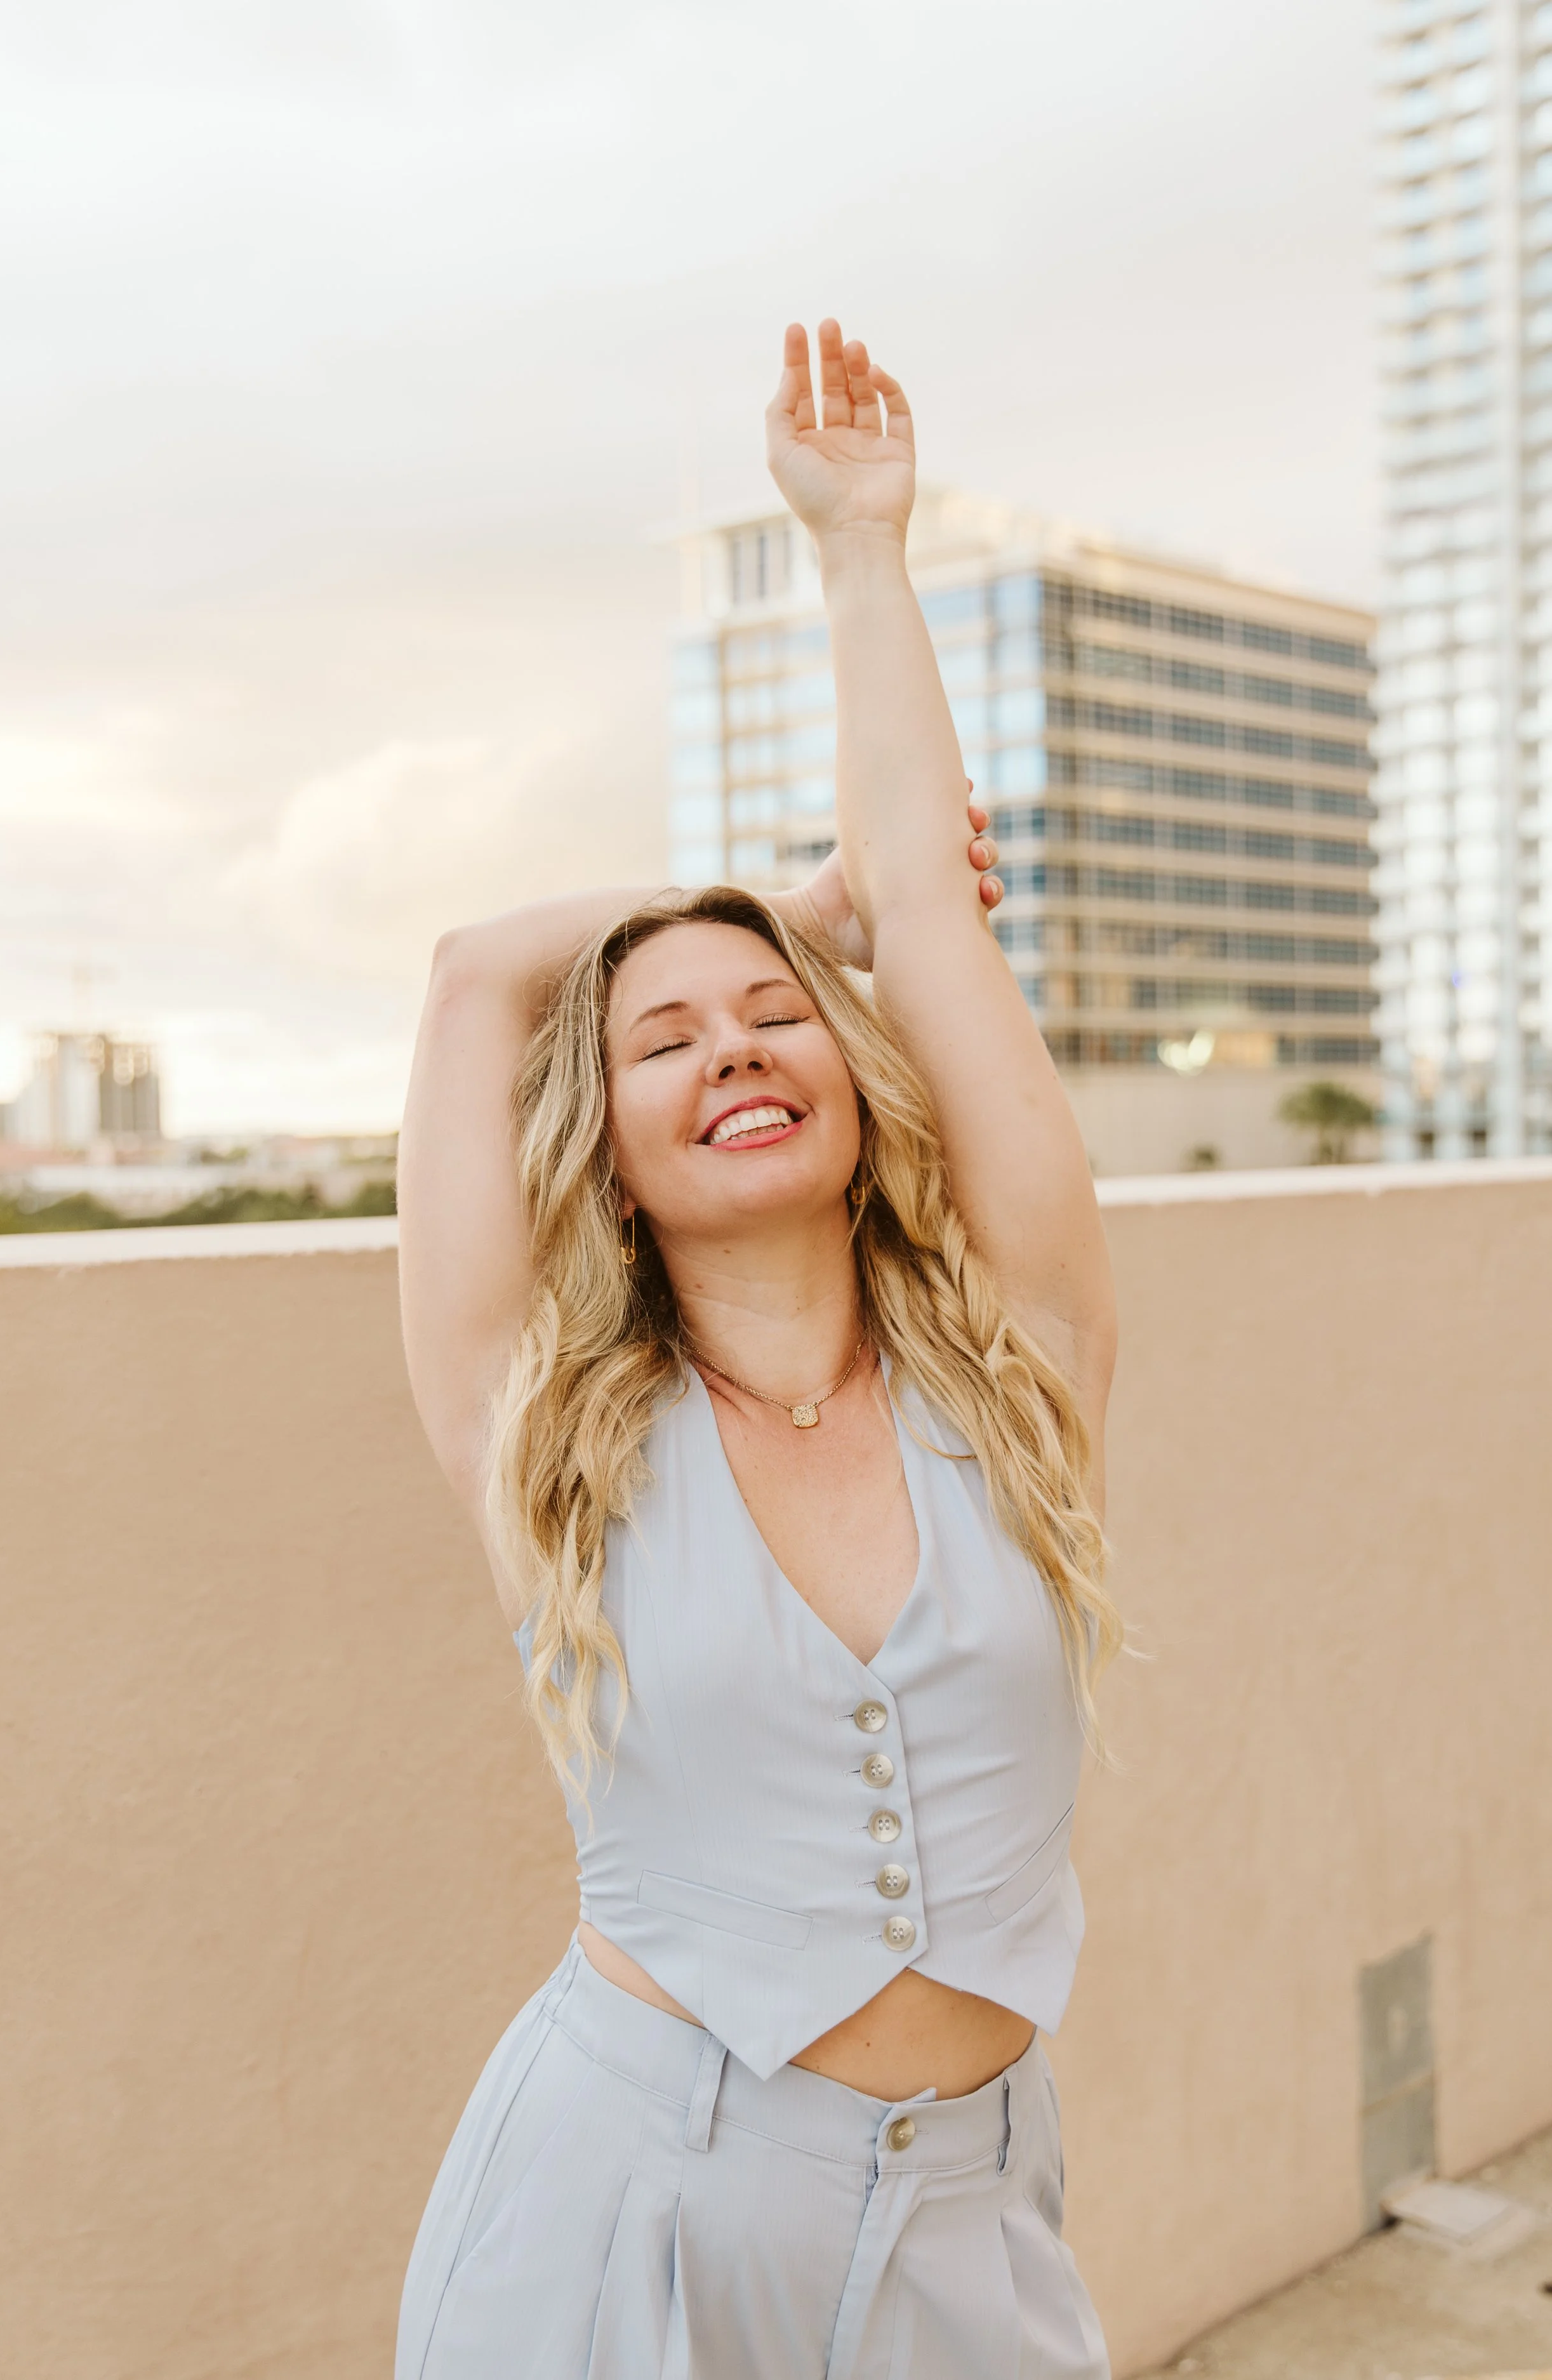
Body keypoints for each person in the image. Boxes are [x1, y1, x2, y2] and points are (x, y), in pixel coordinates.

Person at [393, 319, 1122, 2380]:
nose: (732, 1044)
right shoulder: (549, 1433)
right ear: (609, 1162)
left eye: (777, 1010)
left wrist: (860, 545)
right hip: (625, 2208)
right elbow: (471, 978)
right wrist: (790, 905)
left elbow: (934, 912)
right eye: (666, 1036)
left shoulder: (1020, 1369)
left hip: (972, 2217)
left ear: (857, 1082)